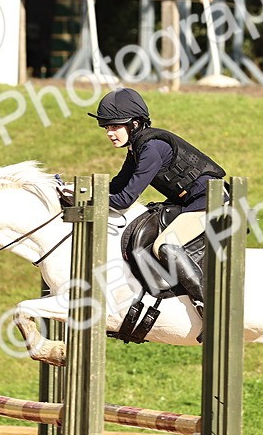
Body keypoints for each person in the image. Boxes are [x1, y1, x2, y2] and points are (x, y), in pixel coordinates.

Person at [89, 88, 226, 319]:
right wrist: (76, 191)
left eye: (115, 126)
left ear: (134, 123)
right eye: (107, 128)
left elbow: (124, 200)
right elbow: (116, 187)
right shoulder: (137, 148)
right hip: (189, 203)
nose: (110, 133)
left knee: (165, 245)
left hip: (209, 202)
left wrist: (92, 201)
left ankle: (209, 308)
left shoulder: (152, 148)